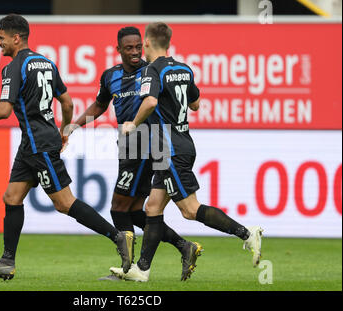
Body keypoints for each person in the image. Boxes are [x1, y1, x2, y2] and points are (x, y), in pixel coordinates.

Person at [0, 14, 134, 280]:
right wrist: (64, 130)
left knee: (64, 203)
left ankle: (117, 237)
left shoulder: (14, 67)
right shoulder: (46, 62)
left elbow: (3, 111)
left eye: (1, 38)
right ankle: (6, 262)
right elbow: (67, 103)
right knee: (12, 197)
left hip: (38, 144)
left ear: (16, 38)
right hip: (35, 142)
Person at [110, 22, 263, 282]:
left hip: (168, 148)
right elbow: (196, 104)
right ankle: (142, 270)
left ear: (146, 42)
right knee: (153, 207)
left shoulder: (152, 70)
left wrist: (132, 124)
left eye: (142, 43)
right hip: (179, 143)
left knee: (190, 210)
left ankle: (247, 233)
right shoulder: (183, 68)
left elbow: (150, 101)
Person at [68, 26, 202, 281]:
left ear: (144, 46)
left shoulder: (151, 71)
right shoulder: (110, 76)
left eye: (138, 47)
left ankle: (128, 269)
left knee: (119, 207)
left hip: (148, 142)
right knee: (138, 211)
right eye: (128, 48)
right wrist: (74, 125)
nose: (135, 52)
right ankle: (184, 246)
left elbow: (174, 99)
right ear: (118, 49)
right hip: (129, 144)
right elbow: (100, 104)